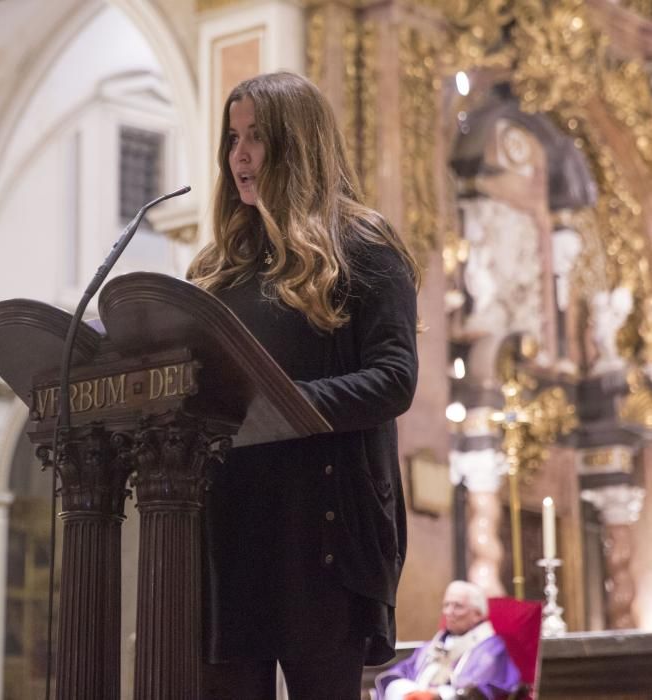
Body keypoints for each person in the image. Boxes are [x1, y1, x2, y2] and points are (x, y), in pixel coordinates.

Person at [188, 71, 420, 699]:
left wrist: (276, 406)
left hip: (324, 533)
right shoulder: (215, 270)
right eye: (232, 138)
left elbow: (395, 379)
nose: (239, 155)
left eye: (257, 138)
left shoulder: (364, 247)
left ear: (298, 143)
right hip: (230, 530)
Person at [374, 581, 522, 700]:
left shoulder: (491, 648)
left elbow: (482, 689)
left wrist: (438, 696)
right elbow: (403, 671)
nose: (448, 612)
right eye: (446, 605)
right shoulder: (435, 645)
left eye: (458, 606)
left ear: (478, 614)